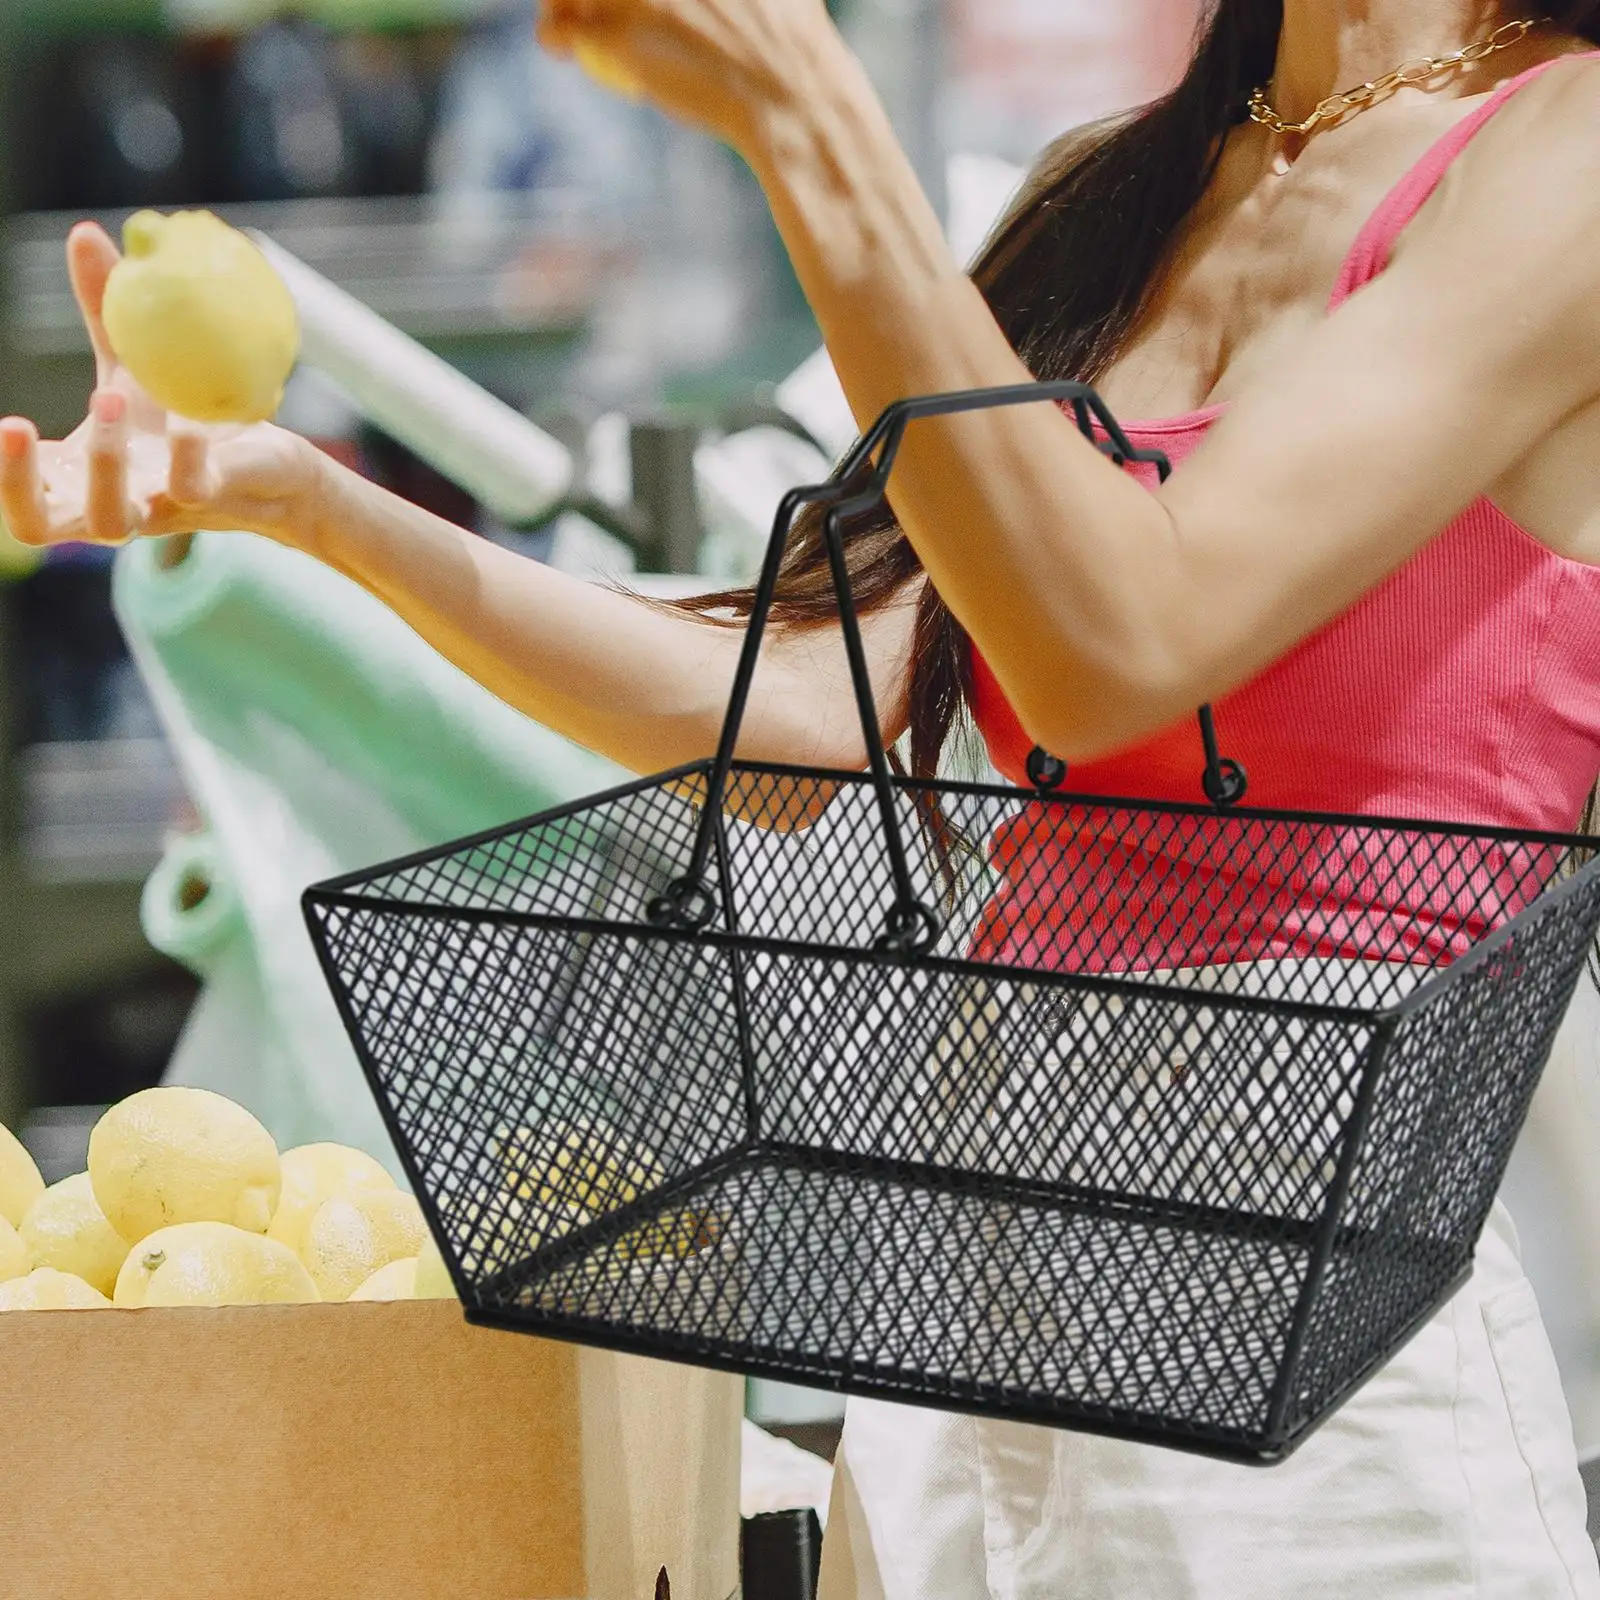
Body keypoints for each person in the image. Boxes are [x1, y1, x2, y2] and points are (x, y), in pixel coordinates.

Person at [5, 0, 1600, 1590]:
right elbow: (797, 709)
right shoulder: (1115, 193)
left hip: (1314, 1383)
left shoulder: (1562, 155)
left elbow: (1127, 644)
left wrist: (811, 121)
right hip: (970, 1314)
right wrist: (313, 509)